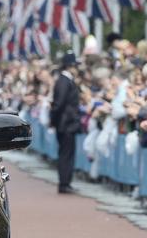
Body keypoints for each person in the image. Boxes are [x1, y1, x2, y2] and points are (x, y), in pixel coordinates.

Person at [50, 52, 81, 194]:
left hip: (67, 123)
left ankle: (66, 182)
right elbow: (59, 103)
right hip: (66, 123)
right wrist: (54, 121)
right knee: (66, 154)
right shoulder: (63, 81)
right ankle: (64, 183)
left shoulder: (66, 80)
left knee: (67, 153)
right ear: (70, 66)